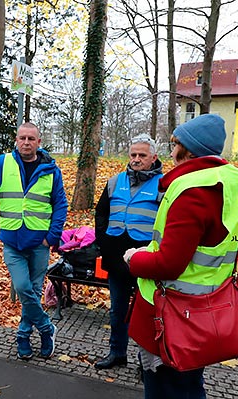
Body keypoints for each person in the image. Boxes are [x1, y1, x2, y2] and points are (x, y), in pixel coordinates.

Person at [124, 114, 238, 399]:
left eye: (175, 144)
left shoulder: (192, 191)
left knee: (166, 388)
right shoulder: (222, 184)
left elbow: (170, 264)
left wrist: (134, 259)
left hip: (173, 315)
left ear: (189, 150)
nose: (171, 151)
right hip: (203, 309)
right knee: (189, 386)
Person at [0, 122, 68, 360]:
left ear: (38, 142)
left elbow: (60, 204)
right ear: (16, 140)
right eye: (22, 138)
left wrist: (52, 237)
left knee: (32, 290)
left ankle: (23, 336)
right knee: (23, 288)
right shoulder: (4, 163)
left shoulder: (51, 170)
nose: (26, 143)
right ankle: (46, 327)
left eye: (31, 139)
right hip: (12, 241)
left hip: (39, 243)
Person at [94, 134, 163, 370]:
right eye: (133, 154)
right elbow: (101, 213)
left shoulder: (164, 185)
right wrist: (102, 241)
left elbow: (167, 222)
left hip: (146, 259)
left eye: (142, 155)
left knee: (148, 313)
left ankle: (147, 365)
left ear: (153, 157)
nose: (136, 159)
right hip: (115, 258)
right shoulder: (115, 181)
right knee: (117, 310)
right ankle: (117, 353)